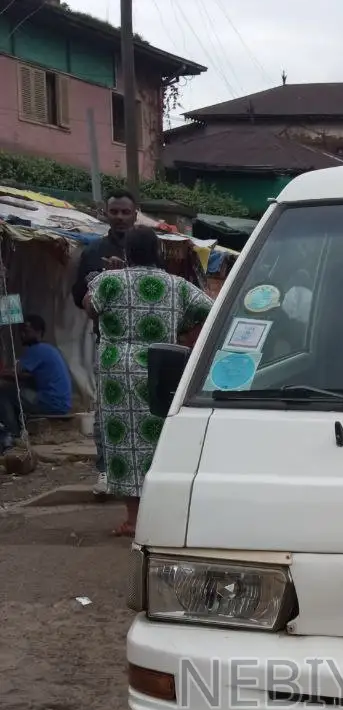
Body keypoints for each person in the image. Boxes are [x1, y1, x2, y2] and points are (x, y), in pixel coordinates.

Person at [83, 226, 212, 537]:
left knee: (124, 443)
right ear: (159, 252)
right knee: (158, 439)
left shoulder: (109, 280)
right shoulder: (176, 285)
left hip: (117, 370)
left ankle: (133, 518)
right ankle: (165, 513)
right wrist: (182, 334)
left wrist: (98, 280)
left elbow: (89, 306)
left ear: (127, 252)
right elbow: (209, 309)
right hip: (161, 364)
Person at [72, 190, 139, 496]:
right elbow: (77, 297)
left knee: (144, 411)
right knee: (106, 412)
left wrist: (127, 276)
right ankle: (105, 471)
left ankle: (144, 475)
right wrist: (103, 283)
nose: (121, 217)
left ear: (135, 214)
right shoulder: (93, 251)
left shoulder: (149, 248)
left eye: (126, 212)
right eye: (115, 212)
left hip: (145, 343)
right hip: (108, 342)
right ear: (106, 214)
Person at [0, 315, 73, 453]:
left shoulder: (36, 350)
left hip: (51, 401)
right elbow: (25, 375)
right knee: (16, 392)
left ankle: (12, 434)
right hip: (61, 402)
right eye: (21, 330)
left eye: (27, 330)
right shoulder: (48, 349)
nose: (22, 334)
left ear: (39, 332)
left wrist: (2, 373)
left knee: (5, 393)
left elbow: (16, 373)